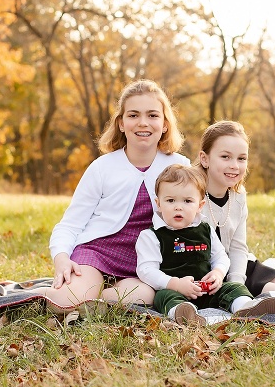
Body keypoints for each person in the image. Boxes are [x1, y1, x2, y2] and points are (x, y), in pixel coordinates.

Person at [47, 79, 189, 308]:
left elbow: (197, 218)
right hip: (98, 252)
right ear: (121, 123)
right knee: (66, 301)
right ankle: (77, 291)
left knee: (144, 297)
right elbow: (70, 224)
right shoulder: (102, 167)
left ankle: (102, 296)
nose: (143, 123)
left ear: (165, 124)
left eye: (153, 115)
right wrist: (61, 258)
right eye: (133, 115)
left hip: (148, 259)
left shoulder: (179, 166)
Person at [135, 164, 275, 325]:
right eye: (170, 200)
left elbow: (221, 257)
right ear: (158, 203)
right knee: (163, 297)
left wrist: (218, 273)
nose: (178, 206)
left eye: (187, 201)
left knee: (232, 287)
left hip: (209, 290)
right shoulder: (151, 236)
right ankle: (183, 313)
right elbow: (146, 270)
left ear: (200, 206)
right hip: (176, 291)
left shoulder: (205, 230)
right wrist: (175, 284)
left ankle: (245, 307)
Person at [195, 120, 275, 296]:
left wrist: (236, 283)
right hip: (207, 273)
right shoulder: (191, 196)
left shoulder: (238, 197)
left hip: (238, 266)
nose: (234, 165)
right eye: (225, 157)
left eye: (241, 158)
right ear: (204, 159)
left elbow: (238, 247)